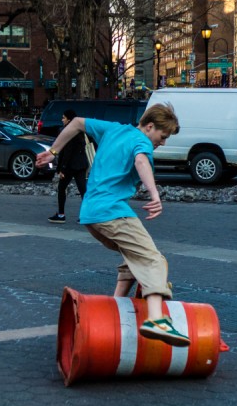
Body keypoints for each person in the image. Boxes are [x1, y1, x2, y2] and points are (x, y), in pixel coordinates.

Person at [36, 103, 190, 347]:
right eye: (163, 136)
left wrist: (53, 152)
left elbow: (76, 124)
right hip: (113, 214)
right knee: (153, 259)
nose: (163, 142)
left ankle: (113, 310)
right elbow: (141, 162)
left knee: (133, 257)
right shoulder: (142, 142)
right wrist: (154, 194)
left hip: (90, 216)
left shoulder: (113, 129)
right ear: (150, 127)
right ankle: (156, 320)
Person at [48, 109, 88, 223]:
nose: (62, 120)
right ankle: (86, 215)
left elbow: (66, 152)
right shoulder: (80, 131)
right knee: (83, 190)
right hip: (81, 164)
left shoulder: (68, 132)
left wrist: (61, 169)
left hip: (70, 166)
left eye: (63, 118)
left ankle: (61, 215)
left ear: (69, 120)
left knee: (62, 188)